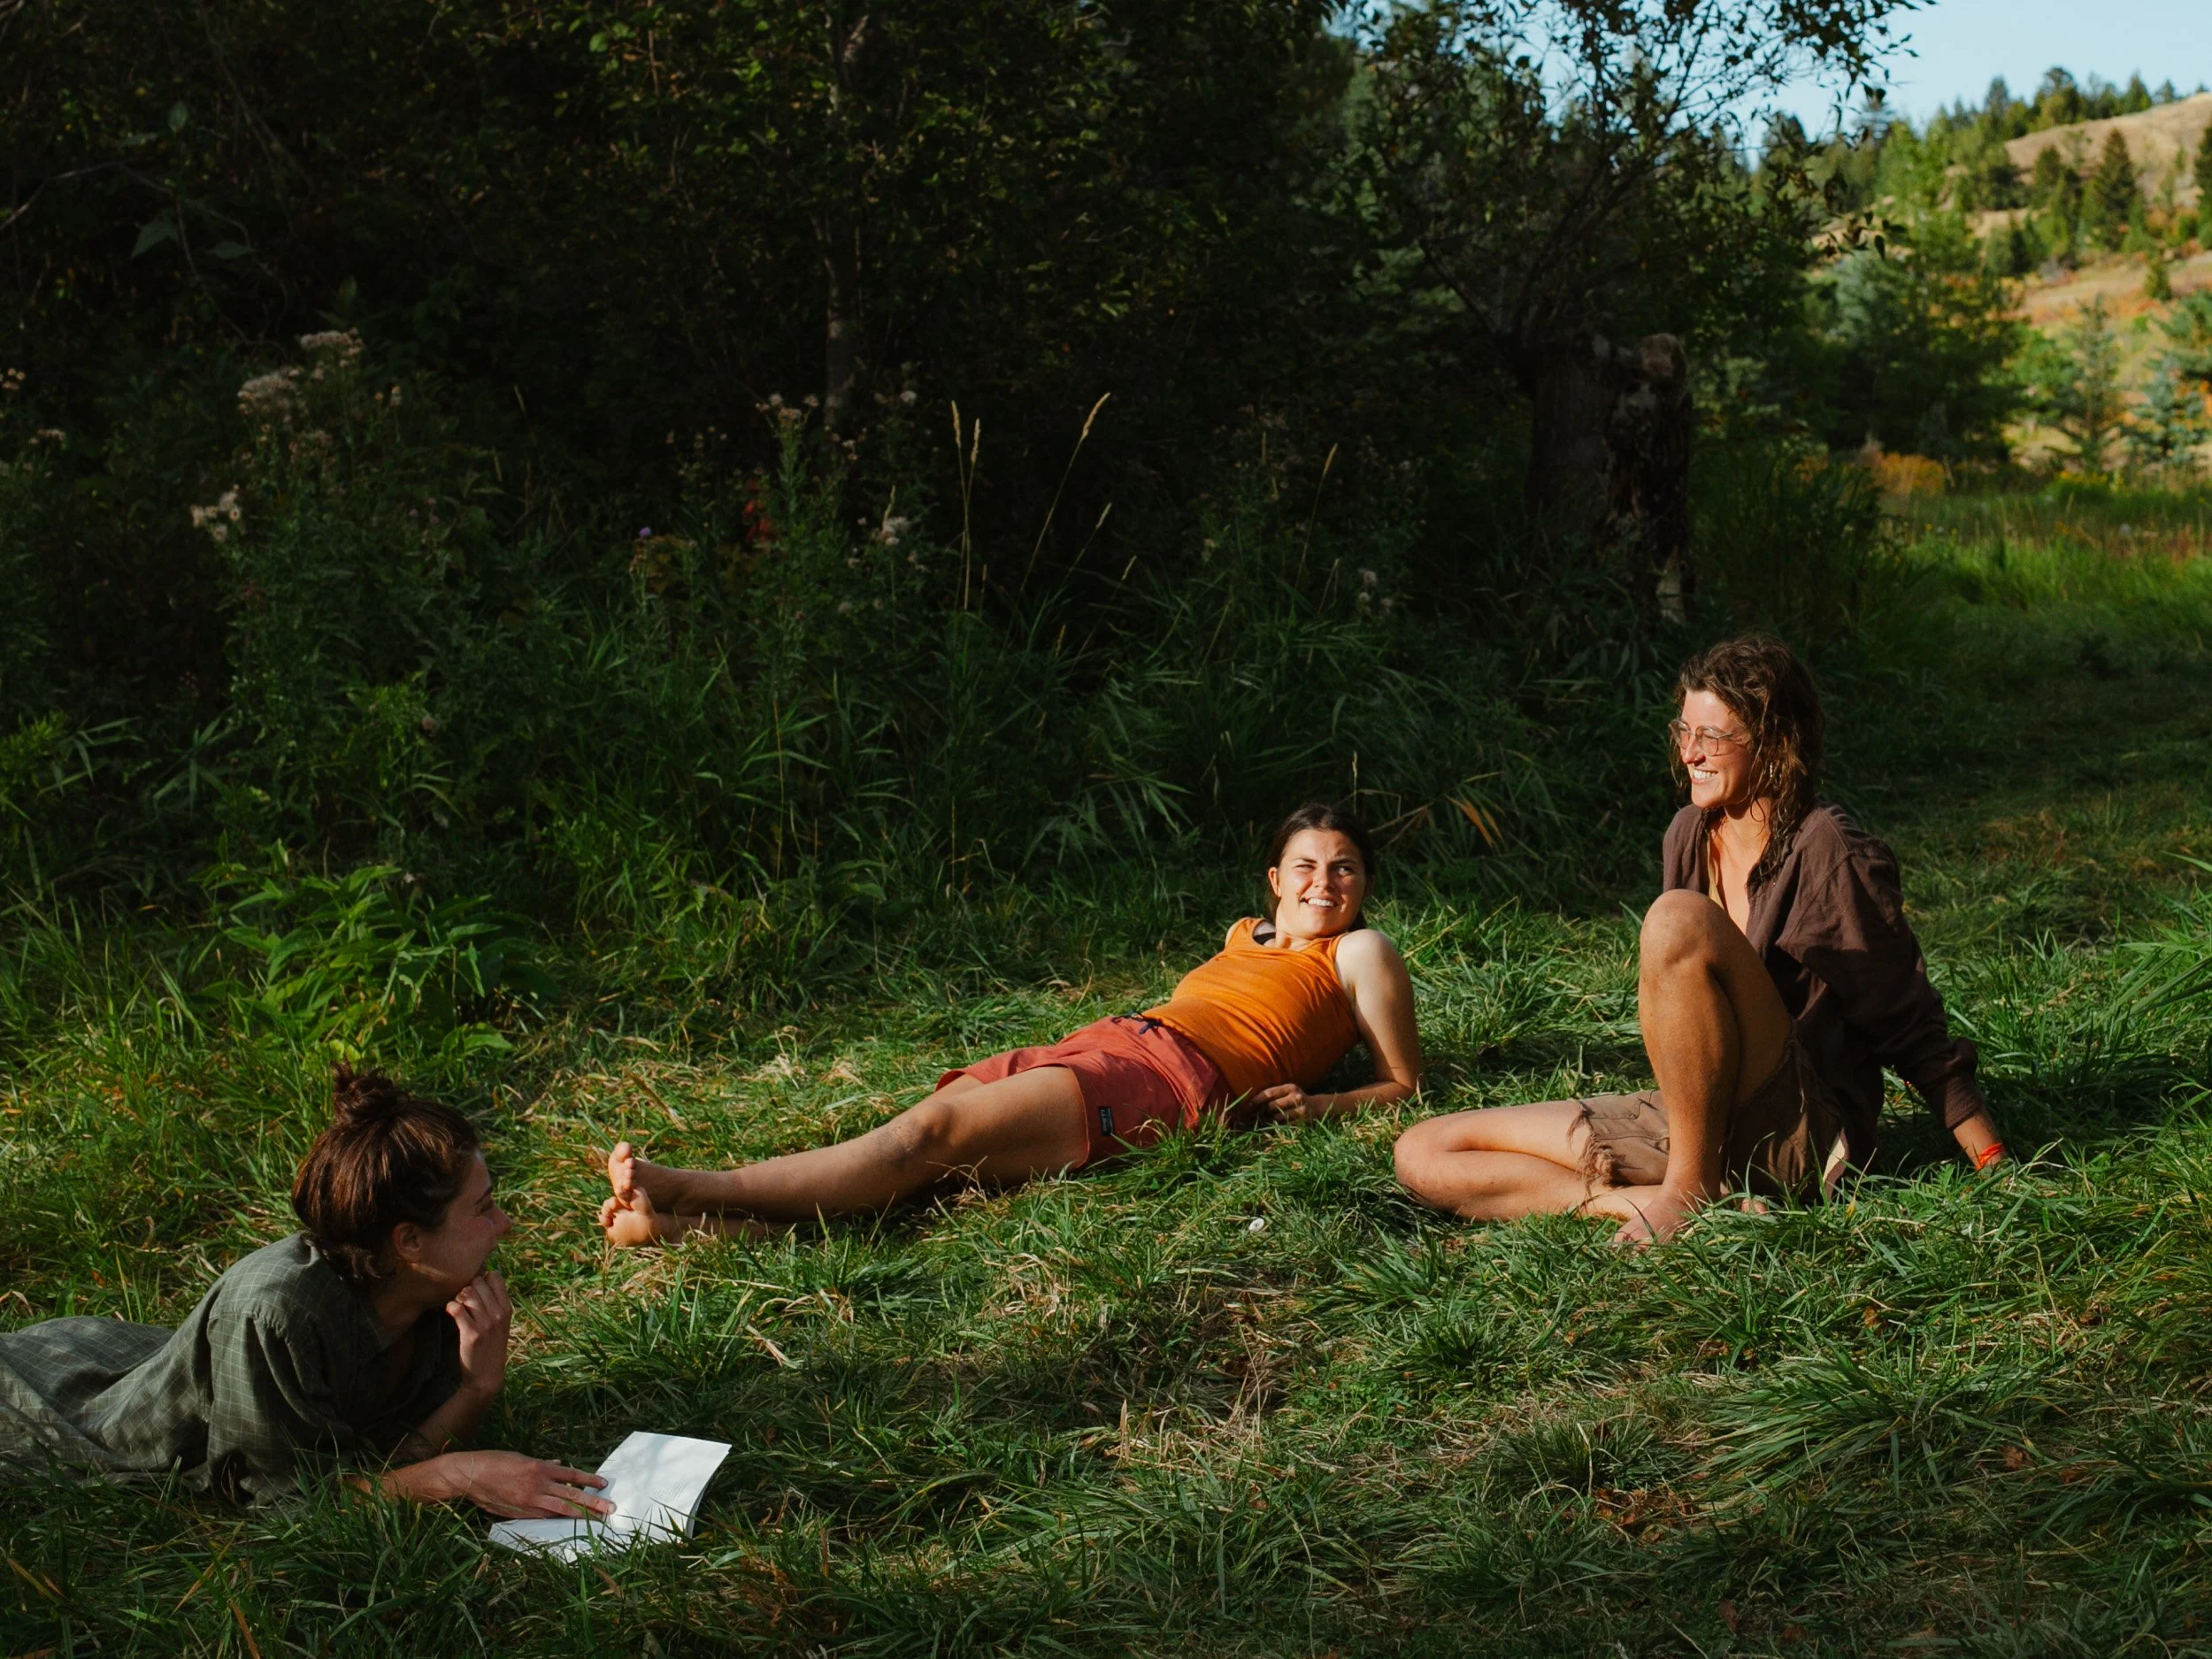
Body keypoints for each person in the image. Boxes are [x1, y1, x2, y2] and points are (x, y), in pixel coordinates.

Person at [1393, 635, 2005, 1246]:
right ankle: (1642, 1201)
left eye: (1712, 737)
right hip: (1700, 1119)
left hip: (1799, 1133)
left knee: (1676, 918)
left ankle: (1684, 1193)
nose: (1690, 753)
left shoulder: (1827, 851)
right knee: (1424, 1150)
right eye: (1683, 731)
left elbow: (1907, 1018)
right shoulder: (1688, 832)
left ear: (1774, 743)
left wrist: (1994, 1160)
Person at [599, 803, 1425, 1242]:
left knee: (925, 1133)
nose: (1326, 882)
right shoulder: (1245, 934)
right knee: (930, 1181)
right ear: (1274, 877)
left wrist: (1324, 1107)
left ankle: (693, 1186)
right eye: (1308, 866)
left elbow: (1404, 1082)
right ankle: (679, 1229)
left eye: (1345, 867)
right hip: (1112, 1041)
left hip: (1172, 1078)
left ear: (1366, 884)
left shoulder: (1360, 951)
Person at [0, 1068, 614, 1517]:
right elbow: (289, 1501)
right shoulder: (274, 1314)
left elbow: (380, 1465)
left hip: (112, 1354)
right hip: (47, 1419)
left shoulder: (435, 1299)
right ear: (409, 1241)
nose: (504, 1224)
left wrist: (478, 1389)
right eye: (482, 1209)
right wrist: (459, 1473)